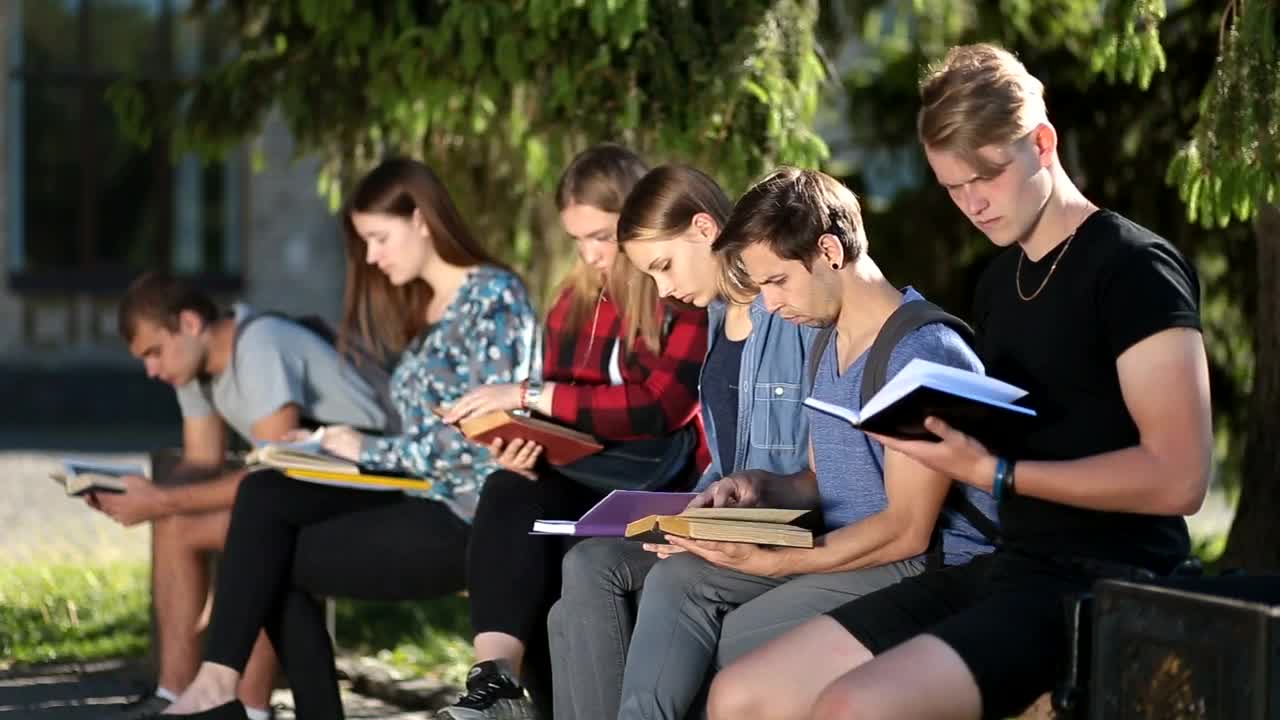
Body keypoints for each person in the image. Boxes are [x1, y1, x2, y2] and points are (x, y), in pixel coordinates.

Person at [706, 44, 1213, 720]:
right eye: (952, 186)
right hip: (1005, 566)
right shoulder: (1000, 283)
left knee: (856, 707)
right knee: (741, 694)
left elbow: (1180, 477)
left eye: (989, 174)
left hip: (1102, 574)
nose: (972, 202)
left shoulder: (1134, 266)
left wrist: (997, 474)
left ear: (1042, 142)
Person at [153, 157, 538, 720]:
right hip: (412, 485)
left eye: (380, 238)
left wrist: (365, 448)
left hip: (467, 511)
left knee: (269, 559)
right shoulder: (422, 305)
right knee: (264, 494)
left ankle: (230, 688)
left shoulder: (495, 298)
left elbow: (479, 441)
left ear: (423, 220)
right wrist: (326, 443)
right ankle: (218, 679)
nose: (374, 257)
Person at [615, 166, 999, 720]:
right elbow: (822, 482)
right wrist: (759, 486)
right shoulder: (827, 343)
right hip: (855, 548)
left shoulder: (920, 354)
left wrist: (773, 564)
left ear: (829, 251)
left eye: (776, 281)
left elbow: (908, 531)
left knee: (730, 638)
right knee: (678, 582)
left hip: (930, 567)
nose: (768, 304)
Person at [434, 146, 710, 720]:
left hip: (659, 474)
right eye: (577, 239)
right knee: (509, 492)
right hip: (584, 468)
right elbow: (566, 412)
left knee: (563, 552)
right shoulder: (574, 298)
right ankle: (495, 686)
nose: (590, 255)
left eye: (602, 237)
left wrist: (529, 396)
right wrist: (522, 438)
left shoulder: (677, 288)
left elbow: (661, 408)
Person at [544, 163, 817, 720]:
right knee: (584, 566)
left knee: (613, 586)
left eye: (664, 266)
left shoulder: (789, 313)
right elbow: (728, 459)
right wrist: (691, 515)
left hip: (787, 526)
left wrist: (719, 519)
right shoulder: (720, 318)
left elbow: (813, 464)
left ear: (703, 228)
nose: (664, 288)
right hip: (733, 519)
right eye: (652, 276)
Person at [106, 272, 392, 719]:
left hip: (376, 474)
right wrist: (131, 494)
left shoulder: (259, 347)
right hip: (314, 485)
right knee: (175, 522)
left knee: (250, 532)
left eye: (154, 352)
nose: (151, 370)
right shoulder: (195, 372)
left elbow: (278, 480)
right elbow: (201, 465)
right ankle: (175, 692)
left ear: (189, 323)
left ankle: (249, 705)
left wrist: (161, 500)